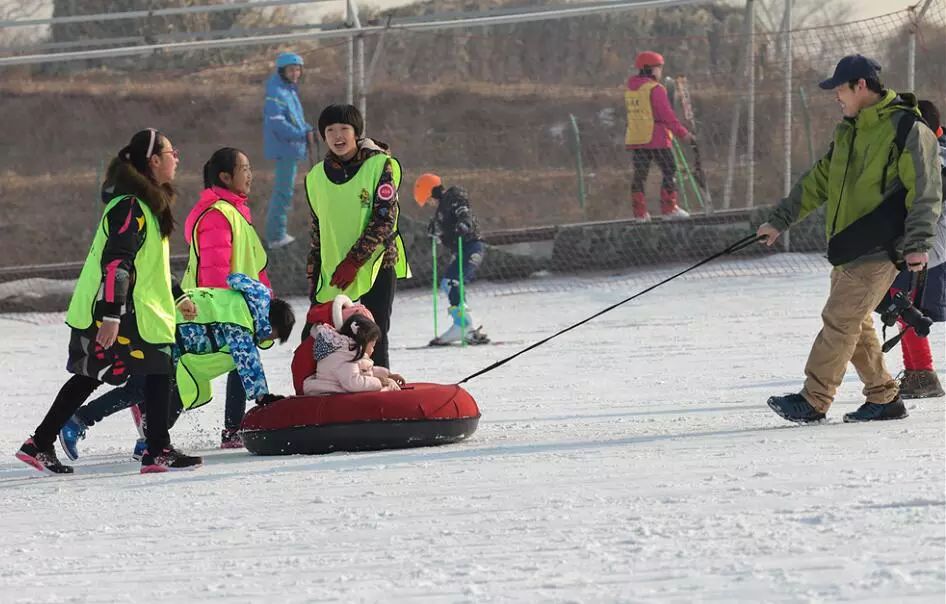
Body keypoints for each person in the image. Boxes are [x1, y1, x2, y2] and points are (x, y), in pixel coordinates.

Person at [758, 55, 943, 424]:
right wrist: (780, 219)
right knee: (855, 323)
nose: (836, 97)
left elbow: (925, 191)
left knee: (840, 319)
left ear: (861, 85)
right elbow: (818, 180)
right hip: (847, 246)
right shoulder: (851, 130)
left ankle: (814, 399)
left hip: (881, 246)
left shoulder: (907, 129)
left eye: (839, 89)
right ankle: (884, 397)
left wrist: (919, 243)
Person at [15, 129, 202, 474]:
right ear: (154, 161)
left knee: (97, 375)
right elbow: (117, 262)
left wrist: (177, 295)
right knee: (155, 368)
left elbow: (149, 266)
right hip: (118, 311)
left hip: (135, 311)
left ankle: (39, 443)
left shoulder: (146, 205)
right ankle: (157, 449)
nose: (177, 158)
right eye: (171, 152)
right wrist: (112, 317)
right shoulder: (131, 207)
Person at [58, 274, 295, 460]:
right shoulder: (241, 319)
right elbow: (247, 361)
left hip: (168, 339)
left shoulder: (243, 303)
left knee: (177, 389)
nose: (267, 340)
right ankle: (78, 420)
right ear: (270, 323)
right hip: (160, 332)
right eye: (273, 336)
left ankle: (152, 442)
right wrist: (263, 397)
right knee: (138, 389)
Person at [304, 103, 410, 369]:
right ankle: (328, 390)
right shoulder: (316, 176)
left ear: (356, 132)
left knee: (376, 333)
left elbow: (384, 219)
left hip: (375, 264)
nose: (338, 136)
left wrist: (355, 261)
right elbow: (319, 228)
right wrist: (314, 271)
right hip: (333, 271)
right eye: (330, 130)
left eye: (344, 129)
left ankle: (379, 390)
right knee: (324, 335)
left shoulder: (379, 166)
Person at [182, 147, 272, 447]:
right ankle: (147, 416)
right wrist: (219, 311)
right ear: (225, 176)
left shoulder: (233, 211)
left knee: (235, 363)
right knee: (195, 366)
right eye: (244, 168)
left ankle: (233, 428)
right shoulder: (218, 215)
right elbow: (214, 266)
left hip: (237, 304)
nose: (250, 174)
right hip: (222, 307)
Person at [887, 99, 946, 398]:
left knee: (900, 297)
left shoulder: (932, 156)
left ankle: (922, 374)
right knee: (899, 300)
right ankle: (917, 373)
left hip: (932, 240)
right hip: (930, 238)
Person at [413, 173, 490, 345]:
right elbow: (448, 231)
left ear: (430, 191)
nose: (429, 203)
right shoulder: (442, 210)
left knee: (452, 282)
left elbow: (464, 213)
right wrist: (437, 232)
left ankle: (463, 325)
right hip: (463, 249)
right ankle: (468, 327)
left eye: (428, 199)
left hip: (471, 245)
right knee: (450, 283)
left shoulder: (453, 197)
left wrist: (464, 224)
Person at [625, 50, 693, 221]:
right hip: (657, 138)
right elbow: (667, 116)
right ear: (651, 69)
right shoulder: (655, 89)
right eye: (659, 67)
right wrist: (683, 133)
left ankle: (640, 214)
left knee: (640, 175)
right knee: (669, 170)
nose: (661, 71)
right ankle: (669, 209)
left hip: (637, 139)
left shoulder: (631, 89)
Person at [263, 51, 315, 248]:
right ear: (282, 71)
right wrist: (302, 134)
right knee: (283, 192)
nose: (295, 73)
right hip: (286, 148)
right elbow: (278, 124)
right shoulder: (277, 93)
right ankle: (276, 235)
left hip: (291, 148)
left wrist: (306, 129)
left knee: (285, 191)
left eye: (297, 70)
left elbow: (295, 120)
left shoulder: (288, 91)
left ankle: (278, 232)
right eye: (291, 70)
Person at [302, 314, 405, 396]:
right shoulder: (346, 355)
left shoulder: (347, 349)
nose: (373, 350)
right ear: (363, 342)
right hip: (329, 391)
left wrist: (387, 375)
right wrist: (380, 381)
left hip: (336, 386)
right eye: (372, 345)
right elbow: (353, 383)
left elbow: (365, 370)